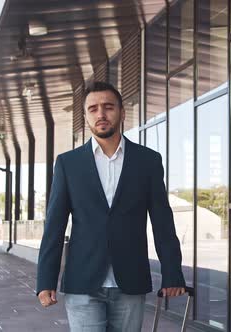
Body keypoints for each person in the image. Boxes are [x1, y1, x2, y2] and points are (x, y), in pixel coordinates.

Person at [36, 81, 186, 331]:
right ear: (86, 117)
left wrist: (172, 272)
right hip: (82, 281)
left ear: (122, 112)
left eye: (108, 107)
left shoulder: (147, 161)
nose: (101, 114)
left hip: (131, 280)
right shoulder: (68, 163)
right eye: (93, 109)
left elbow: (162, 221)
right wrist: (45, 280)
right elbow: (54, 225)